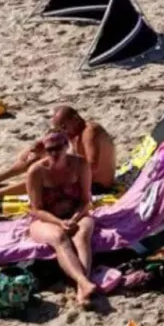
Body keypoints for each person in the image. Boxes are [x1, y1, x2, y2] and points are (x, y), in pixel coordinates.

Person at [0, 106, 116, 202]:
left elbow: (92, 165)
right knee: (39, 154)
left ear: (76, 119)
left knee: (44, 174)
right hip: (85, 175)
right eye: (60, 128)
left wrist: (61, 165)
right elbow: (54, 141)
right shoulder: (75, 131)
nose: (63, 131)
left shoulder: (90, 132)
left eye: (64, 127)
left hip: (98, 185)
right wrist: (38, 149)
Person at [23, 131, 101, 306]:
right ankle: (84, 283)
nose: (54, 153)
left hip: (76, 213)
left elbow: (86, 201)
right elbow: (37, 209)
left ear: (67, 146)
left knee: (82, 237)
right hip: (45, 219)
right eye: (49, 149)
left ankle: (82, 292)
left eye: (58, 148)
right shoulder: (36, 171)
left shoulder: (80, 165)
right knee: (60, 238)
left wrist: (74, 217)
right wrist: (59, 222)